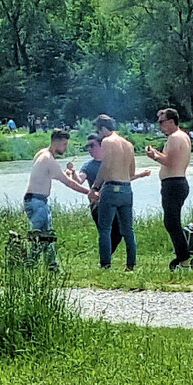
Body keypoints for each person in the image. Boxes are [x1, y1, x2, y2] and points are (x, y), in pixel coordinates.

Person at [68, 133, 148, 258]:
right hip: (97, 204)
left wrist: (140, 175)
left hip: (112, 196)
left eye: (92, 145)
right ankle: (106, 258)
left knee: (119, 231)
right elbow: (79, 180)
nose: (89, 149)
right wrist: (73, 172)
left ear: (102, 146)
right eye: (87, 146)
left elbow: (123, 178)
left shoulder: (112, 161)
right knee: (107, 230)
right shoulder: (88, 166)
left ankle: (106, 257)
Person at [23, 129, 92, 269]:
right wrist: (89, 193)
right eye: (64, 144)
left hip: (36, 200)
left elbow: (48, 174)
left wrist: (64, 173)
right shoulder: (48, 159)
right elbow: (69, 183)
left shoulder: (41, 154)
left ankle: (51, 266)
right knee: (40, 237)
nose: (65, 148)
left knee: (46, 235)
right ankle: (31, 267)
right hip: (37, 202)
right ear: (57, 142)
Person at [146, 107, 193, 270]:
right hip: (178, 181)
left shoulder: (174, 137)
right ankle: (183, 256)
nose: (160, 126)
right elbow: (173, 159)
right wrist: (158, 154)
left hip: (173, 183)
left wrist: (154, 156)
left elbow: (170, 162)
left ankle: (184, 258)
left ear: (171, 121)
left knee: (171, 222)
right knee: (172, 222)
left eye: (161, 122)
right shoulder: (183, 136)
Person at [88, 114, 138, 270]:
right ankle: (131, 265)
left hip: (111, 188)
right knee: (128, 229)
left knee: (105, 228)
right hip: (126, 188)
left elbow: (105, 166)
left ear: (103, 128)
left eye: (98, 131)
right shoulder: (128, 144)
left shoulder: (108, 142)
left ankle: (105, 264)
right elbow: (132, 171)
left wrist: (95, 187)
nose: (99, 134)